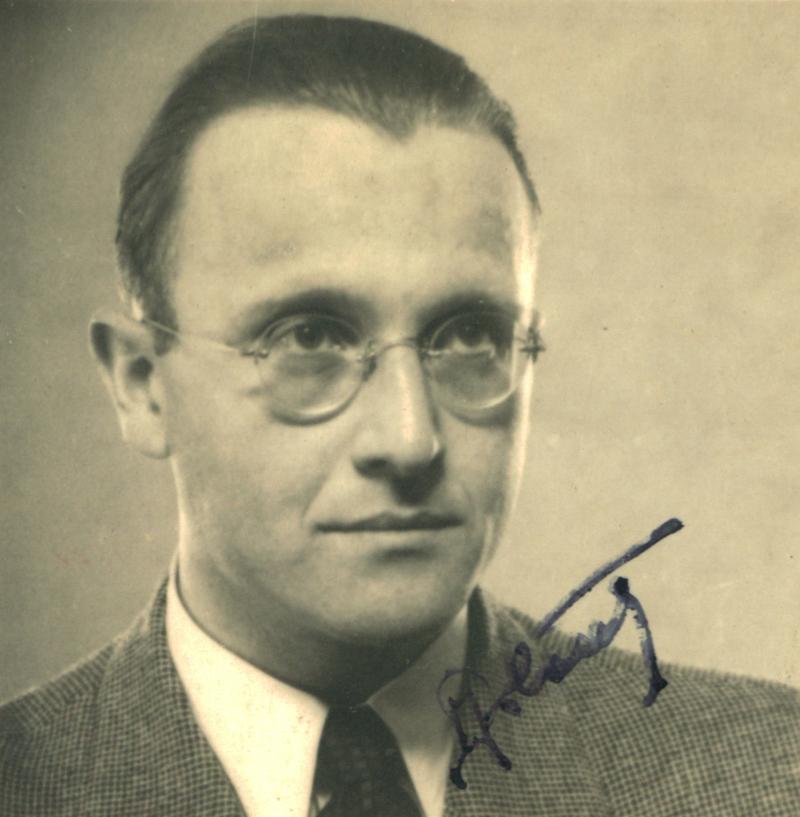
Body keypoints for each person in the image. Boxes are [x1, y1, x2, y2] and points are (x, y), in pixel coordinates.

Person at [1, 14, 797, 817]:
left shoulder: (770, 774)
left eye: (470, 335)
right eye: (310, 337)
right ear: (141, 384)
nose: (411, 438)